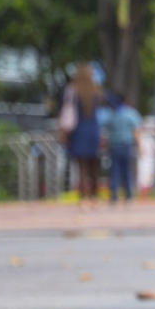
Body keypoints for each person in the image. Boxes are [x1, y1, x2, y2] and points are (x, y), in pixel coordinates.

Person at [57, 62, 102, 207]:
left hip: (78, 130)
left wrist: (63, 132)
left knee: (81, 166)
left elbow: (67, 111)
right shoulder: (97, 91)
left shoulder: (72, 90)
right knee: (93, 166)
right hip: (93, 130)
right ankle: (94, 196)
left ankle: (83, 198)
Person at [99, 92, 141, 205]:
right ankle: (129, 197)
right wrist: (140, 146)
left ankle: (114, 197)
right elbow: (136, 131)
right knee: (127, 172)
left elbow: (104, 130)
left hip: (113, 146)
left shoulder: (111, 114)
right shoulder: (131, 114)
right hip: (126, 145)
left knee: (114, 172)